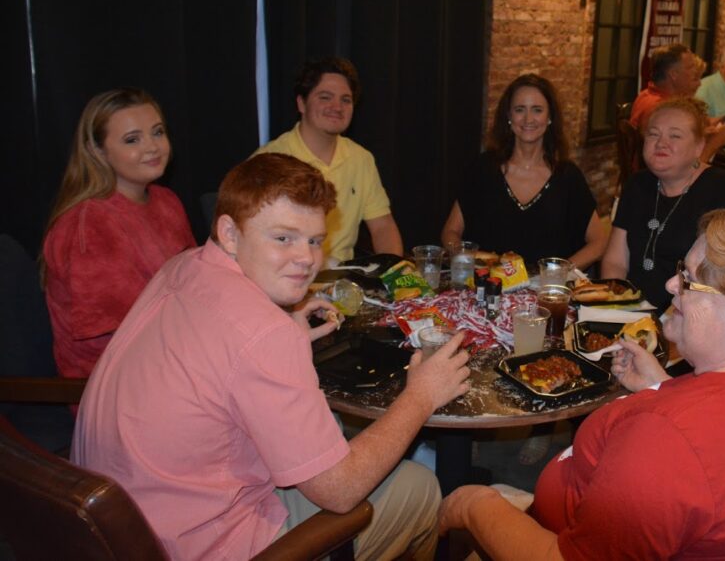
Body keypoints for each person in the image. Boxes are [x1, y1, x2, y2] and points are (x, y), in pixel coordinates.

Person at [72, 153, 471, 560]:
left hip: (113, 529)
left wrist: (282, 327)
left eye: (315, 240)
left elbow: (222, 352)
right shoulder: (263, 334)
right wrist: (420, 397)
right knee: (421, 487)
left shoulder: (182, 266)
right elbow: (340, 490)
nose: (307, 258)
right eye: (283, 238)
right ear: (230, 233)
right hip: (194, 547)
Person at [439, 207, 725, 559]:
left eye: (689, 280)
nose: (672, 285)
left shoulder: (668, 441)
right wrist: (661, 386)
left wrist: (477, 504)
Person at [42, 87, 195, 379]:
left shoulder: (166, 200)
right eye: (132, 139)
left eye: (158, 132)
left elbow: (197, 282)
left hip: (172, 356)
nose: (152, 147)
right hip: (117, 381)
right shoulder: (88, 223)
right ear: (98, 151)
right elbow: (122, 333)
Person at [603, 97, 725, 310]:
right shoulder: (637, 184)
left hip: (694, 315)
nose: (661, 143)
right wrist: (615, 307)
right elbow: (615, 261)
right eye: (653, 134)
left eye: (675, 135)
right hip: (629, 310)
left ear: (699, 146)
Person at [442, 73, 608, 270]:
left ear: (549, 118)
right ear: (509, 117)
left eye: (537, 110)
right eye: (520, 110)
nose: (528, 119)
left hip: (544, 296)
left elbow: (599, 242)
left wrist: (559, 272)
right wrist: (467, 259)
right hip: (488, 290)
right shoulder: (483, 169)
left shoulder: (567, 176)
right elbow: (450, 232)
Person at [256, 57, 402, 263]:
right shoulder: (270, 161)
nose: (337, 106)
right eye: (325, 97)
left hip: (344, 282)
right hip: (289, 278)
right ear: (301, 103)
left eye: (346, 100)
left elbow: (383, 227)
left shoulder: (361, 158)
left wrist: (395, 275)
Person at [628, 43, 705, 130]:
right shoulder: (662, 109)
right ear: (673, 74)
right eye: (690, 67)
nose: (695, 72)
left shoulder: (646, 94)